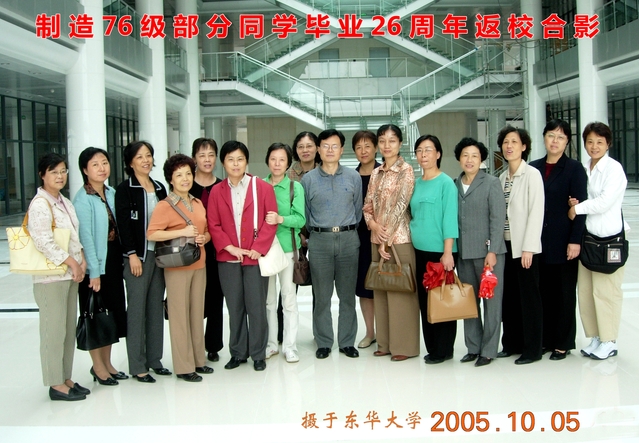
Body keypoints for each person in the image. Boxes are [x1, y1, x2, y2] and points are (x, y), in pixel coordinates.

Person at [208, 141, 278, 372]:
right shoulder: (216, 191)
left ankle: (258, 353)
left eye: (240, 159)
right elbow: (213, 224)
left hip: (255, 257)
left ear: (246, 161)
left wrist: (259, 247)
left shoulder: (262, 188)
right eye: (230, 159)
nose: (235, 164)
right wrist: (229, 247)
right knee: (235, 306)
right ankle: (238, 353)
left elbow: (270, 221)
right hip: (228, 259)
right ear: (223, 163)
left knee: (256, 307)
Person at [147, 154, 213, 382]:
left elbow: (206, 230)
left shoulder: (197, 203)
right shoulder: (165, 205)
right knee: (179, 317)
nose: (185, 179)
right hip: (176, 268)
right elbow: (151, 233)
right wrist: (181, 232)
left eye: (188, 174)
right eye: (179, 175)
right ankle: (184, 367)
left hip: (199, 263)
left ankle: (198, 361)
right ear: (170, 179)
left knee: (196, 314)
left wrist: (205, 237)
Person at [28, 153, 89, 401]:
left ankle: (65, 377)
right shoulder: (40, 204)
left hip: (67, 276)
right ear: (42, 175)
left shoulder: (64, 201)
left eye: (63, 171)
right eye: (54, 172)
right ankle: (55, 383)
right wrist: (72, 262)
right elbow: (43, 241)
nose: (60, 176)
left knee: (65, 330)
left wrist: (81, 258)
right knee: (52, 332)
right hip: (50, 279)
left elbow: (73, 235)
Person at [569, 122, 628, 360]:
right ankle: (595, 336)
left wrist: (577, 209)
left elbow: (604, 202)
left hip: (608, 240)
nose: (594, 146)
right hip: (588, 239)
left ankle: (609, 340)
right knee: (585, 292)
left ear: (608, 144)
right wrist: (575, 203)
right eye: (590, 142)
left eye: (599, 142)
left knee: (606, 293)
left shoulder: (614, 169)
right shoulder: (586, 168)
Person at [302, 129, 362, 359]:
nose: (330, 150)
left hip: (348, 239)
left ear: (341, 150)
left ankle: (347, 342)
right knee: (322, 296)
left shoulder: (353, 177)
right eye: (325, 146)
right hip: (320, 241)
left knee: (347, 296)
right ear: (318, 149)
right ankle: (324, 342)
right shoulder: (308, 180)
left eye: (334, 146)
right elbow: (306, 214)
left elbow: (357, 211)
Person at [530, 120, 588, 361]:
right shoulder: (533, 167)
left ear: (567, 142)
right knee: (543, 292)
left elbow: (581, 208)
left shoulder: (574, 169)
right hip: (537, 242)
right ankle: (545, 339)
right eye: (551, 135)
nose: (555, 141)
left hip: (563, 241)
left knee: (563, 294)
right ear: (544, 138)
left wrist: (575, 240)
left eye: (561, 137)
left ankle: (563, 343)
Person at [115, 141, 171, 383]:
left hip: (159, 257)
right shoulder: (125, 189)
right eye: (139, 157)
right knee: (137, 311)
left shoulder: (159, 187)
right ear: (130, 162)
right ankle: (138, 365)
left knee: (155, 308)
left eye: (148, 155)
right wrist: (131, 255)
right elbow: (124, 226)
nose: (146, 160)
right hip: (138, 258)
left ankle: (155, 360)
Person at [364, 124, 419, 361]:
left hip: (399, 240)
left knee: (401, 294)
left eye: (392, 141)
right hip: (377, 239)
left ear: (400, 144)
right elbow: (367, 206)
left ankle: (404, 347)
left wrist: (385, 240)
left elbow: (400, 206)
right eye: (383, 141)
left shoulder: (406, 170)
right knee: (382, 291)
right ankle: (385, 343)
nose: (387, 146)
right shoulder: (376, 173)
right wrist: (374, 227)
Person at [73, 147, 127, 385]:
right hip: (94, 266)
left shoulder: (111, 192)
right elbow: (85, 238)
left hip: (113, 261)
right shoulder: (82, 199)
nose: (102, 168)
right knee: (96, 315)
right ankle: (98, 367)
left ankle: (108, 363)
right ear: (85, 170)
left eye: (104, 162)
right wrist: (94, 273)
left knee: (111, 314)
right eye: (95, 164)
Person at [454, 138, 507, 367]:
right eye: (465, 155)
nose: (470, 160)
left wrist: (493, 250)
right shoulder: (455, 184)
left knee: (491, 304)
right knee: (469, 303)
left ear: (481, 159)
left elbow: (498, 219)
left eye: (474, 156)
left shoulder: (491, 183)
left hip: (488, 254)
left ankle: (489, 350)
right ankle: (473, 347)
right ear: (459, 158)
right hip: (464, 253)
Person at [497, 126, 545, 365]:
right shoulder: (501, 177)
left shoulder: (532, 175)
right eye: (506, 142)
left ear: (524, 146)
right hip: (506, 248)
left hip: (524, 249)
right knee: (509, 298)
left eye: (514, 142)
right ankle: (511, 344)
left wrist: (529, 248)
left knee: (529, 300)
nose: (509, 146)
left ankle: (532, 349)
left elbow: (536, 212)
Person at [409, 135, 459, 364]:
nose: (423, 154)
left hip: (440, 252)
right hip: (418, 251)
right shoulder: (416, 183)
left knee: (442, 300)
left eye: (428, 150)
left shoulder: (446, 183)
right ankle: (433, 347)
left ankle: (444, 349)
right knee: (425, 301)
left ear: (438, 154)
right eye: (419, 150)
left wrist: (448, 253)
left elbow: (450, 219)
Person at [264, 143, 306, 363]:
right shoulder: (259, 186)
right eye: (273, 159)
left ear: (288, 163)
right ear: (267, 161)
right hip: (265, 250)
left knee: (288, 300)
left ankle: (290, 346)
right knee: (269, 301)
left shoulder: (294, 187)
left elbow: (300, 219)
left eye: (282, 159)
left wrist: (281, 219)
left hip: (288, 249)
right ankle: (271, 344)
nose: (277, 163)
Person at [189, 137, 225, 363]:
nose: (207, 159)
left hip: (216, 250)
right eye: (202, 155)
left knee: (215, 298)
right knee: (193, 299)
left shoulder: (222, 186)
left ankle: (213, 345)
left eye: (211, 154)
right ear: (194, 158)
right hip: (190, 250)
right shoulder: (186, 184)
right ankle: (193, 345)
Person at [353, 130, 380, 349]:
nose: (363, 151)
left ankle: (386, 333)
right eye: (359, 147)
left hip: (382, 237)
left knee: (384, 285)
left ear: (376, 148)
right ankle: (370, 333)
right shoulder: (351, 177)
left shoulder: (385, 173)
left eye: (367, 146)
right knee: (364, 288)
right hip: (359, 239)